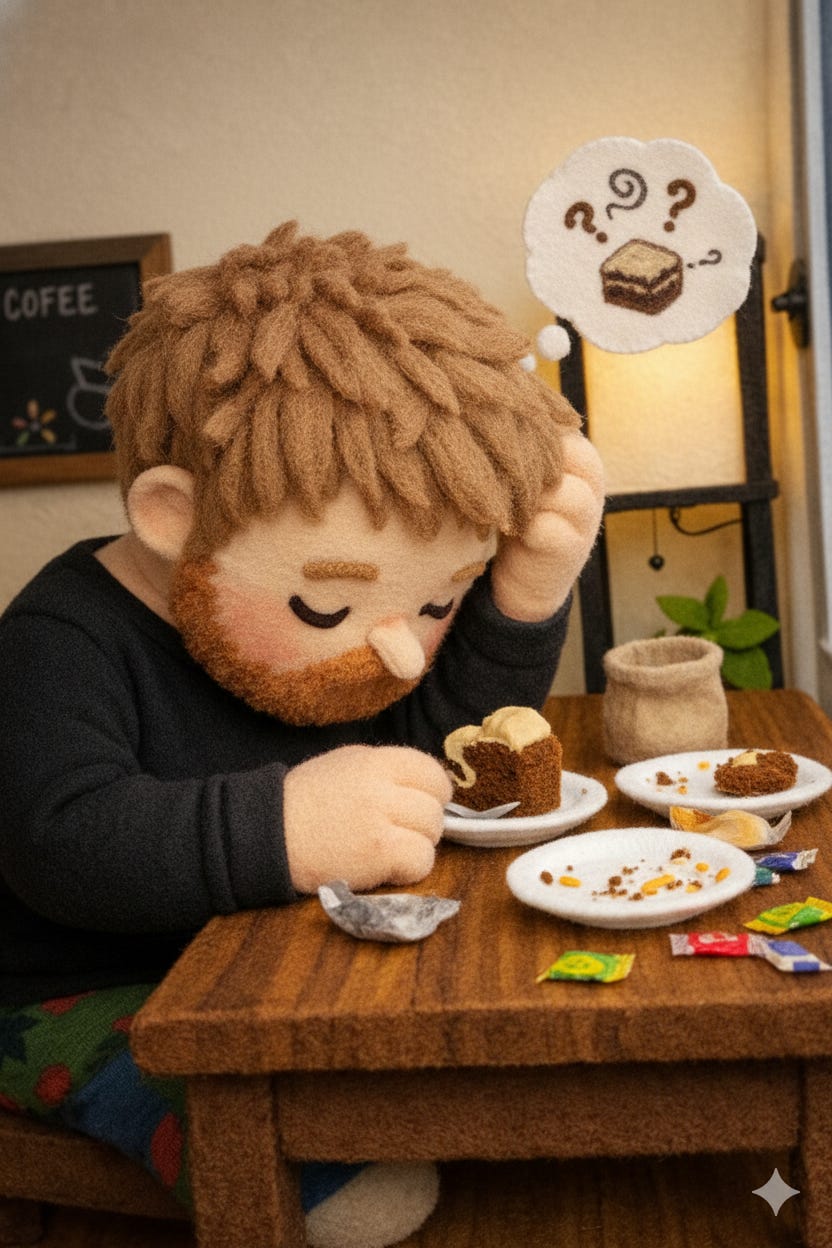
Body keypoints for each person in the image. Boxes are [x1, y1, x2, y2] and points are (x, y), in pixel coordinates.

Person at [0, 222, 604, 1247]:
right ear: (173, 516)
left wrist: (519, 602)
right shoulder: (59, 638)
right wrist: (281, 827)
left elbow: (439, 756)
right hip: (74, 991)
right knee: (342, 1178)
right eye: (327, 606)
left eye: (435, 603)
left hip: (269, 958)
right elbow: (58, 842)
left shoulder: (373, 647)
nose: (403, 656)